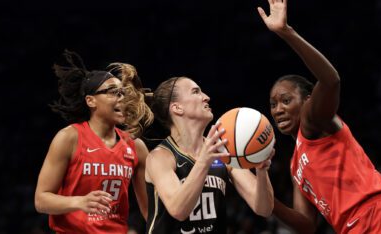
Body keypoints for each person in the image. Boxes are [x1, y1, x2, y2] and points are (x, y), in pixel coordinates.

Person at [257, 0, 381, 233]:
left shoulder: (312, 121)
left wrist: (287, 33)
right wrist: (269, 203)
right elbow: (307, 225)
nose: (277, 110)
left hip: (379, 217)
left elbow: (331, 80)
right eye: (273, 104)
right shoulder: (295, 163)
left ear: (308, 100)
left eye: (286, 100)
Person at [34, 51, 153, 233]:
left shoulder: (136, 146)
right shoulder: (69, 138)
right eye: (113, 92)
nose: (122, 98)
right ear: (91, 101)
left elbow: (150, 213)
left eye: (123, 93)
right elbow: (41, 200)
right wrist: (79, 201)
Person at [144, 76, 275, 233]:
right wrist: (204, 161)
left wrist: (261, 171)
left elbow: (264, 209)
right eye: (196, 92)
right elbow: (178, 210)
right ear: (177, 108)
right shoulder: (160, 157)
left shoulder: (222, 152)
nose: (206, 97)